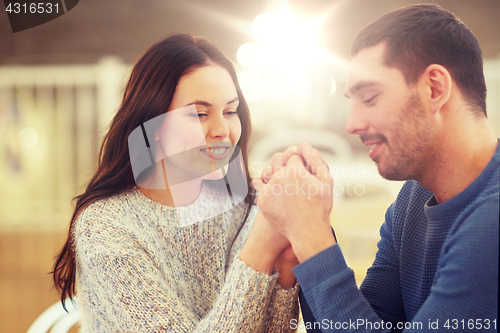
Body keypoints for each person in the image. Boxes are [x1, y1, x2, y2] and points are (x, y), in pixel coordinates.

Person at [253, 4, 499, 332]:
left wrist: (309, 235)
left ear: (434, 89)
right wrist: (306, 227)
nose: (351, 124)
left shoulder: (492, 221)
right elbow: (364, 323)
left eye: (369, 98)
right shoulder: (413, 199)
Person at [52, 34, 299, 333]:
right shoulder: (106, 227)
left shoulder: (242, 211)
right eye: (199, 114)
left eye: (230, 111)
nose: (222, 130)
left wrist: (287, 269)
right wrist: (260, 248)